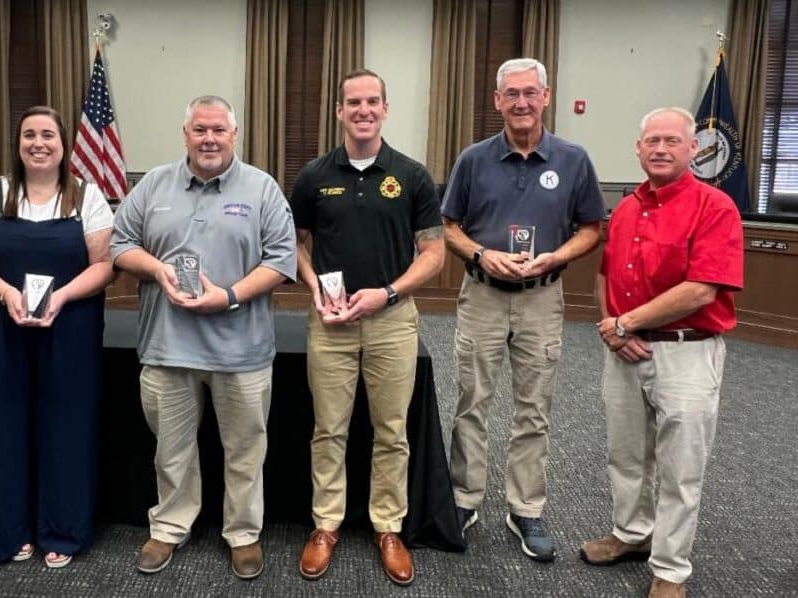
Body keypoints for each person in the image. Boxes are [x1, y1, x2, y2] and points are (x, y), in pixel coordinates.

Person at [111, 95, 296, 580]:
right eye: (200, 130)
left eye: (218, 130)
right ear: (186, 134)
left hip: (242, 351)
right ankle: (170, 525)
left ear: (234, 135)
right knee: (170, 450)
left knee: (245, 451)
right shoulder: (153, 184)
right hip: (167, 348)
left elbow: (281, 261)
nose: (209, 138)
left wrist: (230, 296)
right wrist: (157, 269)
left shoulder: (262, 188)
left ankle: (243, 532)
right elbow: (119, 244)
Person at [441, 57, 605, 561]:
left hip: (542, 299)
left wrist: (556, 257)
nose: (521, 102)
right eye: (511, 94)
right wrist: (481, 253)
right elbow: (449, 227)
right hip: (483, 296)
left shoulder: (573, 160)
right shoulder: (473, 159)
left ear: (546, 96)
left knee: (534, 409)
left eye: (530, 93)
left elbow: (592, 229)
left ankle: (525, 508)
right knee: (471, 401)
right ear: (497, 101)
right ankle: (464, 500)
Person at [290, 69, 444, 586]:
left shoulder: (412, 175)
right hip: (330, 321)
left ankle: (388, 526)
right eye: (353, 102)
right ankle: (325, 525)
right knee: (328, 429)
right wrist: (312, 285)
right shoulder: (313, 175)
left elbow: (434, 254)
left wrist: (390, 292)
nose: (363, 110)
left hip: (392, 320)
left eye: (372, 101)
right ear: (339, 110)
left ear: (385, 108)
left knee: (391, 431)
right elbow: (294, 244)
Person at [582, 107, 743, 598]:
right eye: (651, 140)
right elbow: (606, 276)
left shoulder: (715, 207)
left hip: (686, 353)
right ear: (637, 148)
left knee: (680, 468)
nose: (660, 148)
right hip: (624, 351)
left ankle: (670, 569)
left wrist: (627, 322)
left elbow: (702, 290)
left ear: (694, 149)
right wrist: (613, 332)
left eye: (672, 141)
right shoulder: (628, 207)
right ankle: (631, 534)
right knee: (626, 455)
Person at [0, 106, 114, 568]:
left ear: (63, 145)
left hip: (71, 328)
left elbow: (104, 265)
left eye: (48, 136)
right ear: (17, 144)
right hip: (0, 328)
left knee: (68, 426)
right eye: (29, 135)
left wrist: (59, 297)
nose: (38, 143)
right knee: (4, 425)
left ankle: (62, 529)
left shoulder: (86, 196)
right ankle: (12, 530)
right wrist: (5, 294)